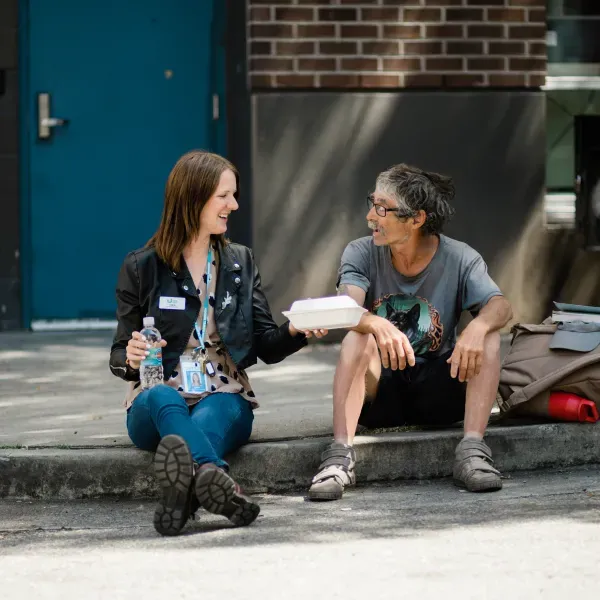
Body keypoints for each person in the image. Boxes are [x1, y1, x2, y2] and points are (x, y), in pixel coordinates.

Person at [110, 150, 326, 535]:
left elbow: (265, 345)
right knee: (163, 397)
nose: (234, 205)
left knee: (221, 405)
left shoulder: (239, 262)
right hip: (154, 403)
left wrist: (298, 330)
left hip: (222, 395)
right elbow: (119, 356)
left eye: (234, 195)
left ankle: (185, 493)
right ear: (193, 198)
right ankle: (214, 477)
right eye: (224, 196)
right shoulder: (142, 267)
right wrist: (130, 357)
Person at [308, 163, 513, 501]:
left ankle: (473, 450)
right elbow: (348, 307)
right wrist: (374, 323)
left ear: (416, 219)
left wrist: (477, 326)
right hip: (380, 391)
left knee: (488, 335)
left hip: (438, 391)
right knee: (357, 335)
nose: (370, 216)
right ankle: (339, 456)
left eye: (382, 209)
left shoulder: (460, 258)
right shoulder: (361, 252)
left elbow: (502, 306)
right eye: (372, 203)